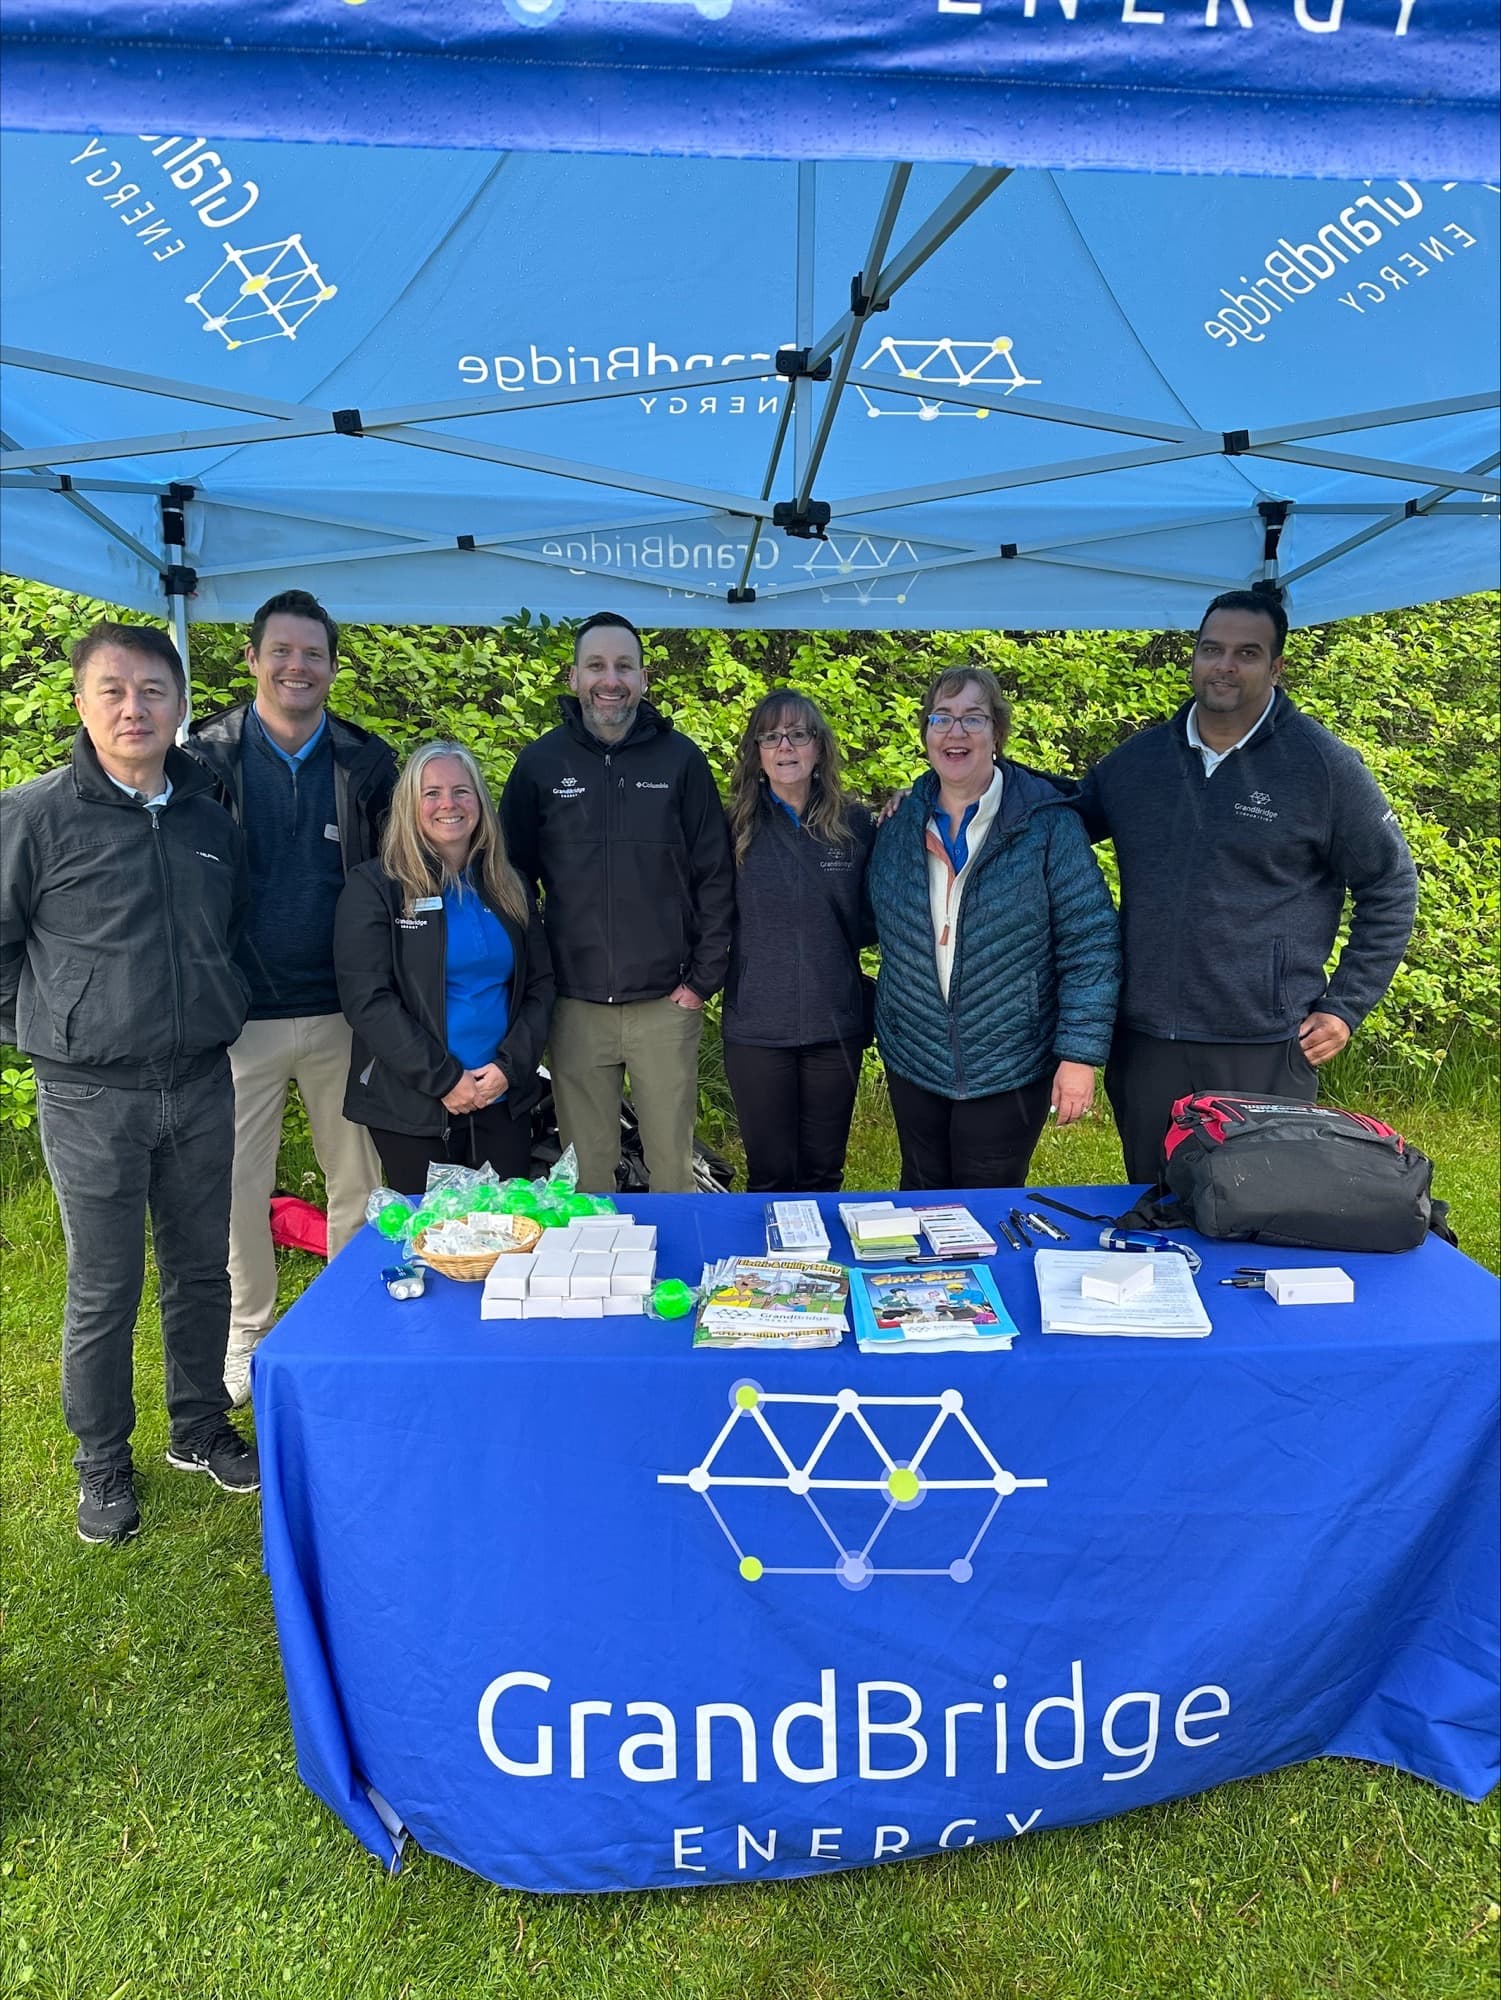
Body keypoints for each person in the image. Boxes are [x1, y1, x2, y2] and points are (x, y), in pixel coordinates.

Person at [0, 622, 258, 1544]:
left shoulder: (208, 816)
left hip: (198, 1080)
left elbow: (227, 936)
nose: (132, 707)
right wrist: (50, 1031)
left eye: (152, 690)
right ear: (80, 703)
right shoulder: (31, 816)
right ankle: (102, 1461)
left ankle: (198, 1425)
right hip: (88, 1095)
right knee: (104, 1287)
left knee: (198, 1269)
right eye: (111, 689)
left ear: (181, 705)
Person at [1075, 589, 1419, 1184]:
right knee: (1157, 1202)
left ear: (1276, 667)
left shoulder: (1323, 766)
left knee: (1260, 1207)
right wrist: (953, 788)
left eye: (1246, 653)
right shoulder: (1138, 765)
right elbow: (1055, 815)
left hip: (1264, 1044)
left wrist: (1345, 1009)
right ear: (1194, 659)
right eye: (1212, 649)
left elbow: (1390, 886)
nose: (1225, 665)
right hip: (1147, 1041)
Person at [187, 588, 397, 1406]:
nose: (296, 666)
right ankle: (250, 1334)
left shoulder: (367, 763)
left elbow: (395, 883)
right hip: (240, 1014)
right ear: (251, 660)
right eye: (281, 650)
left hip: (346, 1009)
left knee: (356, 1177)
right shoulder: (200, 761)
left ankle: (348, 1321)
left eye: (313, 653)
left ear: (333, 669)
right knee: (238, 1183)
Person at [499, 612, 734, 1194]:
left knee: (673, 1172)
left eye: (624, 666)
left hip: (665, 1003)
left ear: (644, 678)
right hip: (575, 1006)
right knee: (587, 1178)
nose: (611, 679)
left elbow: (715, 875)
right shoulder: (540, 764)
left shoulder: (680, 761)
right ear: (574, 676)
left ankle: (676, 1282)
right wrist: (539, 978)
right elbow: (507, 881)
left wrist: (702, 981)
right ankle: (604, 1285)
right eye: (597, 666)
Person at [866, 665, 1120, 1191]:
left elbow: (1091, 943)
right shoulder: (899, 825)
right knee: (920, 1195)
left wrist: (1079, 1055)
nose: (955, 733)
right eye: (942, 718)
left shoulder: (1047, 826)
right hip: (914, 1054)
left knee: (987, 1206)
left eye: (973, 719)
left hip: (1010, 1055)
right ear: (926, 734)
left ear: (997, 734)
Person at [334, 742, 554, 1193]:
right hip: (415, 1106)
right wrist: (445, 1080)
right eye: (431, 793)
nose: (448, 805)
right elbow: (368, 1000)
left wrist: (508, 1070)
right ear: (409, 806)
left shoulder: (508, 884)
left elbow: (539, 986)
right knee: (431, 1246)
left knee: (504, 1238)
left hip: (500, 1096)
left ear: (481, 802)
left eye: (461, 791)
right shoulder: (375, 887)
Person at [721, 690, 876, 1192]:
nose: (784, 746)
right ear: (756, 752)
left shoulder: (856, 825)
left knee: (822, 1172)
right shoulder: (731, 827)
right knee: (770, 1174)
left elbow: (879, 915)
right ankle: (767, 1271)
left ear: (819, 748)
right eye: (770, 736)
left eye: (798, 734)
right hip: (757, 1027)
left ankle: (820, 1269)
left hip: (836, 1025)